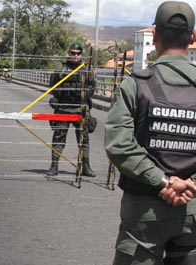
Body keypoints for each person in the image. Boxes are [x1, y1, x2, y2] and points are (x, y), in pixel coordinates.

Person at [105, 2, 196, 264]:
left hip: (145, 213)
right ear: (192, 37)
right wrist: (191, 185)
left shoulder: (136, 85)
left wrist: (163, 181)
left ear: (154, 36)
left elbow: (119, 145)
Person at [47, 41, 95, 177]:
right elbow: (52, 86)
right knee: (58, 138)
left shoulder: (87, 69)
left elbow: (92, 86)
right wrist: (56, 97)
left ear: (81, 55)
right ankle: (54, 166)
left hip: (81, 110)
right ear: (68, 53)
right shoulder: (59, 69)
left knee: (84, 140)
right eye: (73, 53)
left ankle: (86, 167)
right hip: (63, 109)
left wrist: (86, 95)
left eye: (78, 54)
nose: (75, 56)